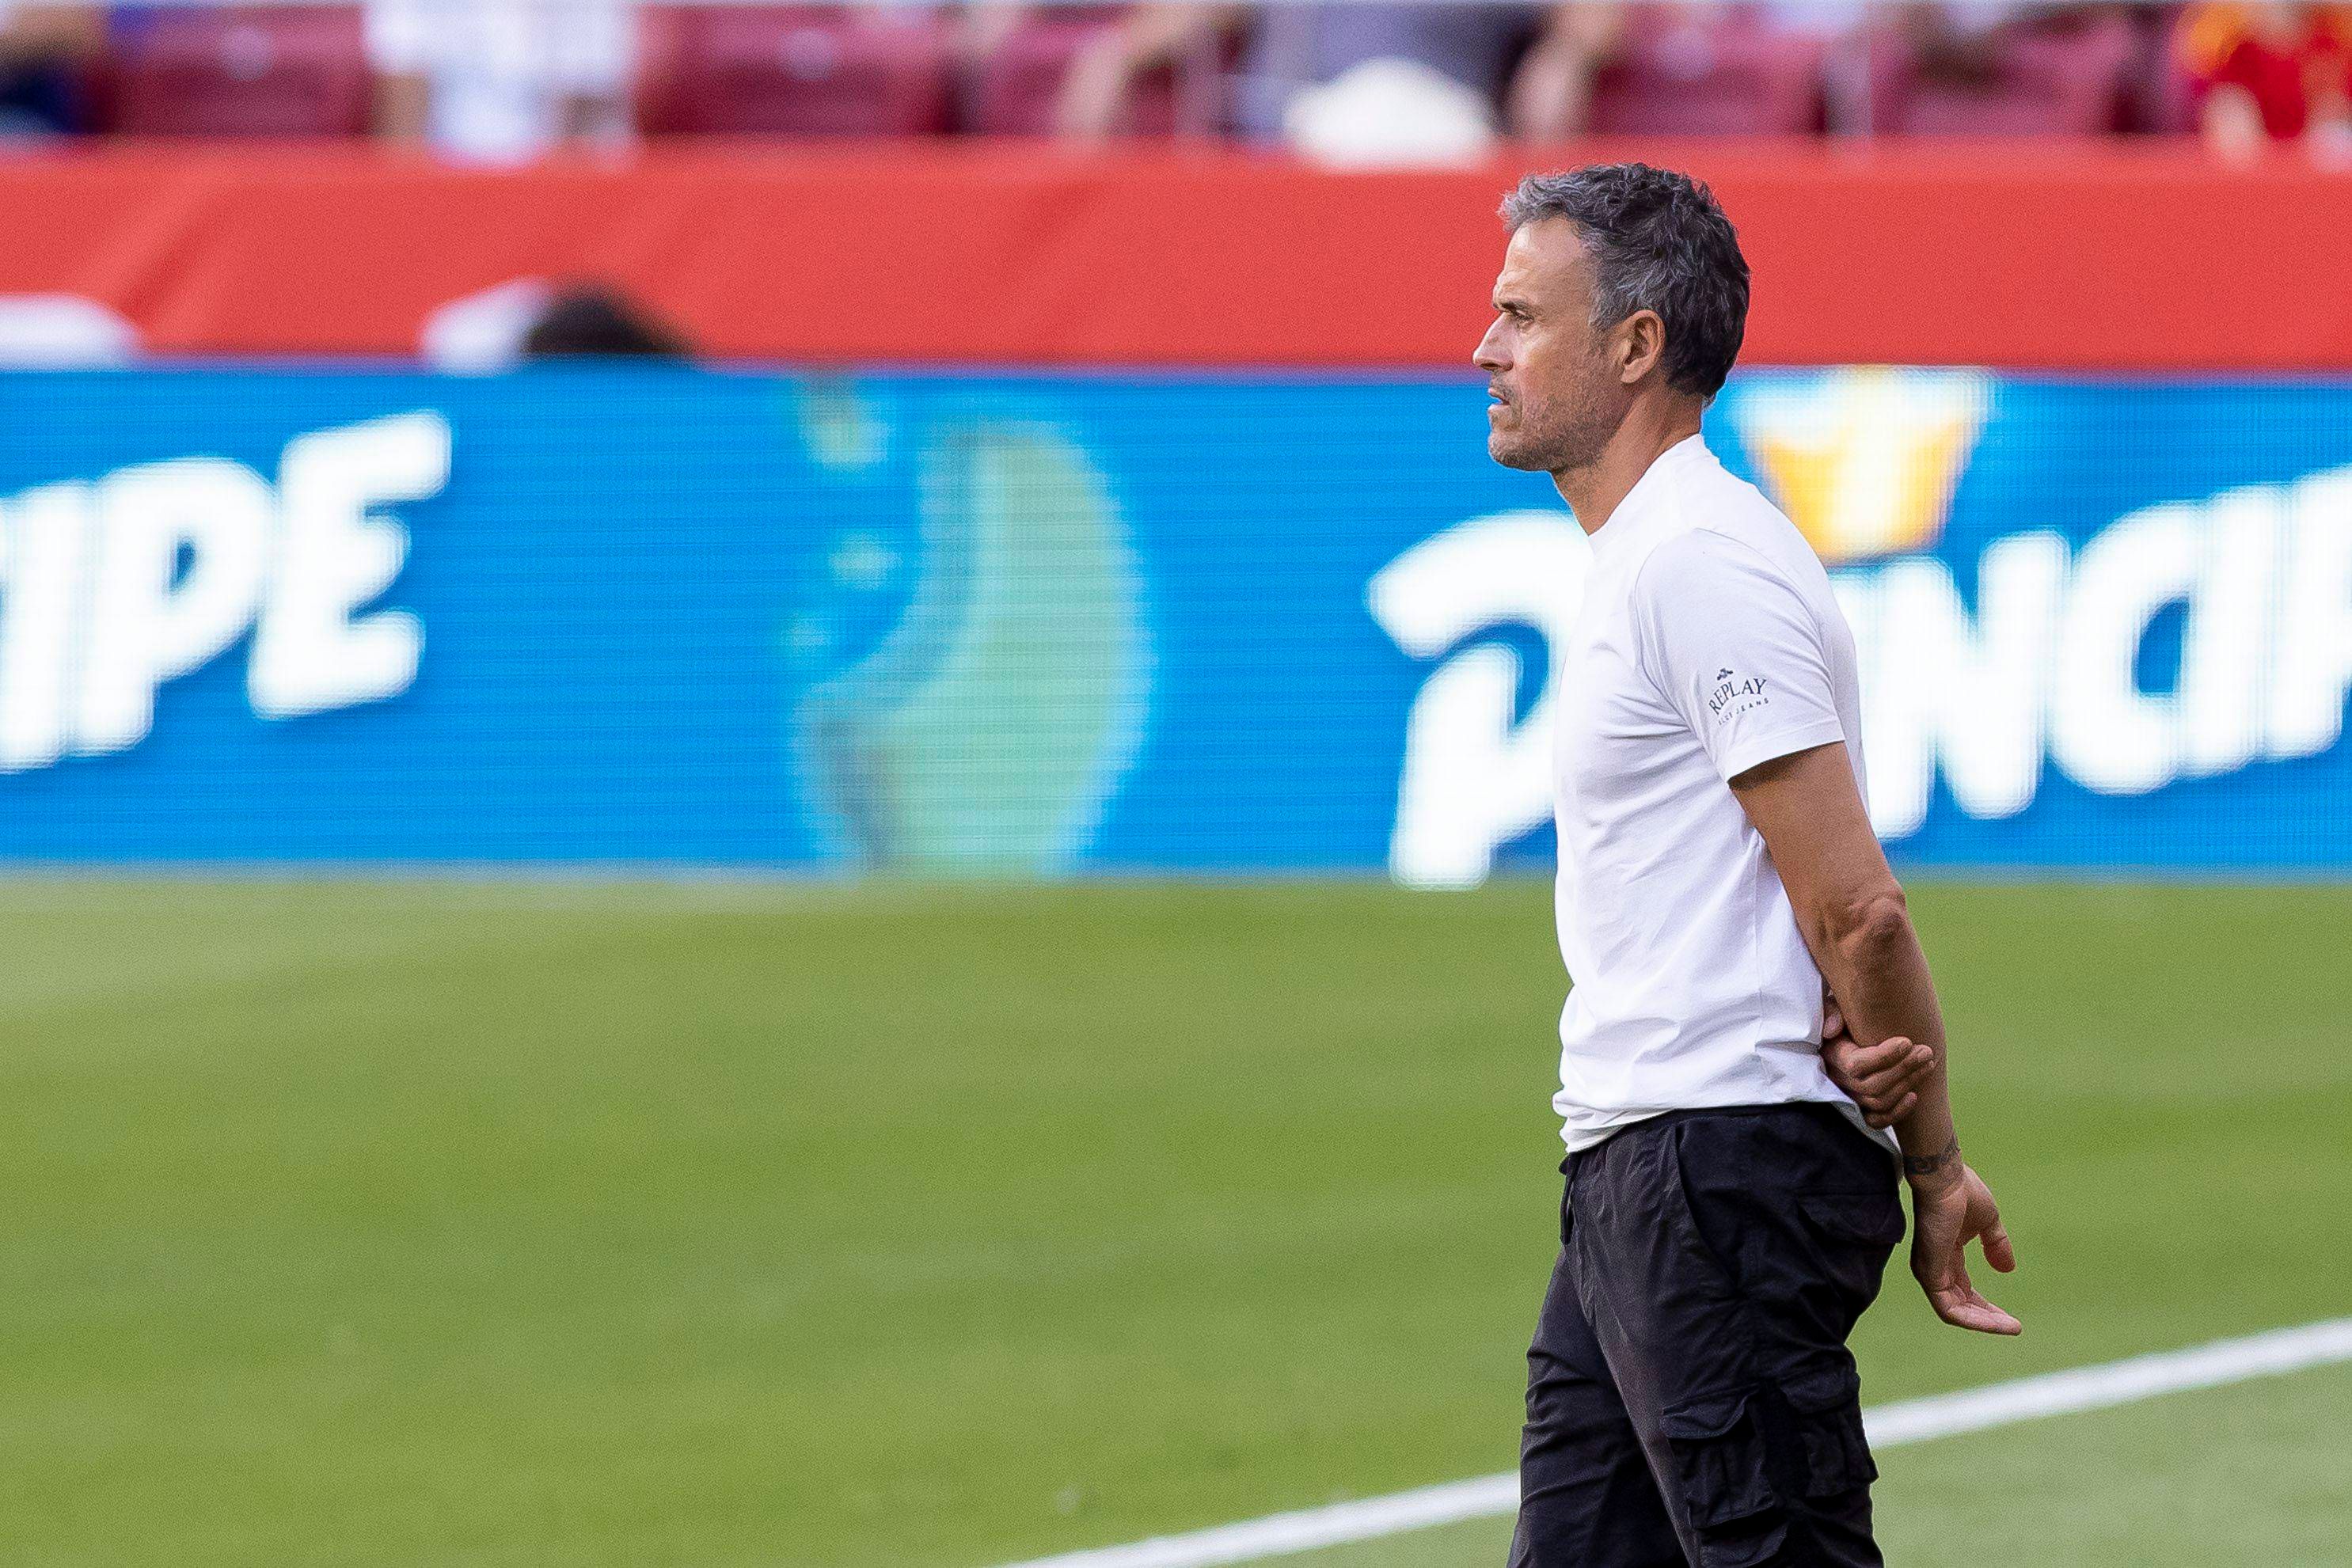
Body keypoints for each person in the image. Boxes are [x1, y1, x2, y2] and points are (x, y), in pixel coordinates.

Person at [1476, 163, 2020, 1568]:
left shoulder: (1700, 564)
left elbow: (1855, 903)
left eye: (1523, 315)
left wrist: (1937, 1160)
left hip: (1714, 1166)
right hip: (1640, 1164)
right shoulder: (1649, 558)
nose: (1486, 349)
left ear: (1636, 343)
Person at [366, 0, 637, 165]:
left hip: (567, 185)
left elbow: (586, 103)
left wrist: (541, 211)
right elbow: (402, 101)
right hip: (450, 176)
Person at [2178, 2, 2351, 161]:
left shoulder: (2333, 36)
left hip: (2315, 163)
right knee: (2229, 108)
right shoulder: (2231, 40)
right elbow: (2208, 91)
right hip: (2248, 158)